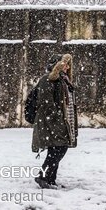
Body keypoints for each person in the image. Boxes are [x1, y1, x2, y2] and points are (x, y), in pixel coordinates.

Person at [32, 53, 78, 189]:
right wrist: (56, 116)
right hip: (52, 121)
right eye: (65, 64)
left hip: (63, 121)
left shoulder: (64, 80)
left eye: (69, 64)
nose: (67, 66)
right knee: (59, 148)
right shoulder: (47, 79)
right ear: (57, 65)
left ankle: (51, 179)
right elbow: (46, 102)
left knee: (57, 149)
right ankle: (42, 177)